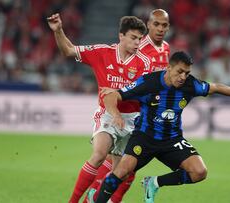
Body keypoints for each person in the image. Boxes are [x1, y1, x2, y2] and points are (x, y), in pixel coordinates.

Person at [94, 51, 230, 203]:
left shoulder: (190, 85)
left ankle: (154, 183)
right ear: (168, 68)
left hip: (171, 140)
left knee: (199, 172)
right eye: (179, 72)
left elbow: (216, 87)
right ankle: (97, 199)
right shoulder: (149, 82)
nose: (183, 77)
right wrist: (116, 115)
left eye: (187, 73)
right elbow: (113, 95)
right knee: (122, 172)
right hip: (144, 138)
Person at [47, 13, 152, 203]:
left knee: (121, 173)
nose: (137, 43)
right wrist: (59, 30)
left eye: (140, 39)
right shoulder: (102, 52)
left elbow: (146, 93)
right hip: (107, 115)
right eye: (133, 38)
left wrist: (118, 91)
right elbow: (69, 50)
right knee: (99, 154)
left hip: (132, 119)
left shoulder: (144, 63)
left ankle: (92, 200)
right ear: (121, 36)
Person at [85, 8, 171, 203]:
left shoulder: (165, 47)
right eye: (156, 24)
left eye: (164, 25)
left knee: (128, 165)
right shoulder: (140, 48)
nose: (160, 29)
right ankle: (97, 193)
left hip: (147, 111)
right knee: (124, 163)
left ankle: (100, 194)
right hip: (131, 111)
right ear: (148, 25)